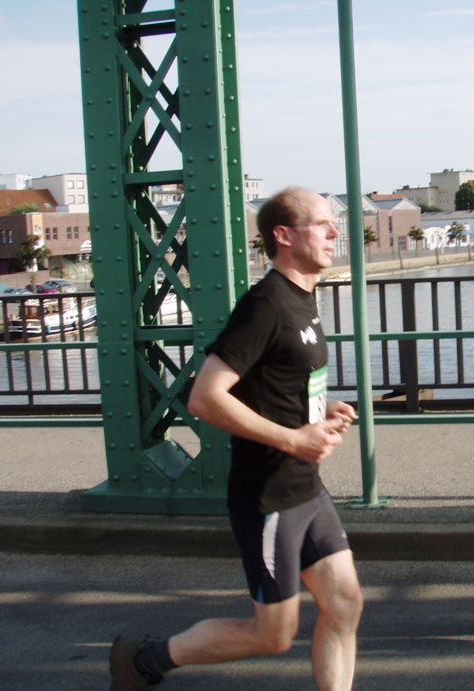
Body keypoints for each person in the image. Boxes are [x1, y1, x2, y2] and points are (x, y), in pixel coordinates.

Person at [108, 188, 362, 690]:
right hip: (269, 498)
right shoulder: (265, 305)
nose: (335, 233)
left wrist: (314, 409)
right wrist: (293, 438)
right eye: (322, 224)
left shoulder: (303, 297)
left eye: (334, 224)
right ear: (283, 236)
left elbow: (273, 379)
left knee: (345, 604)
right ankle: (145, 661)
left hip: (305, 489)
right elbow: (205, 398)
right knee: (273, 635)